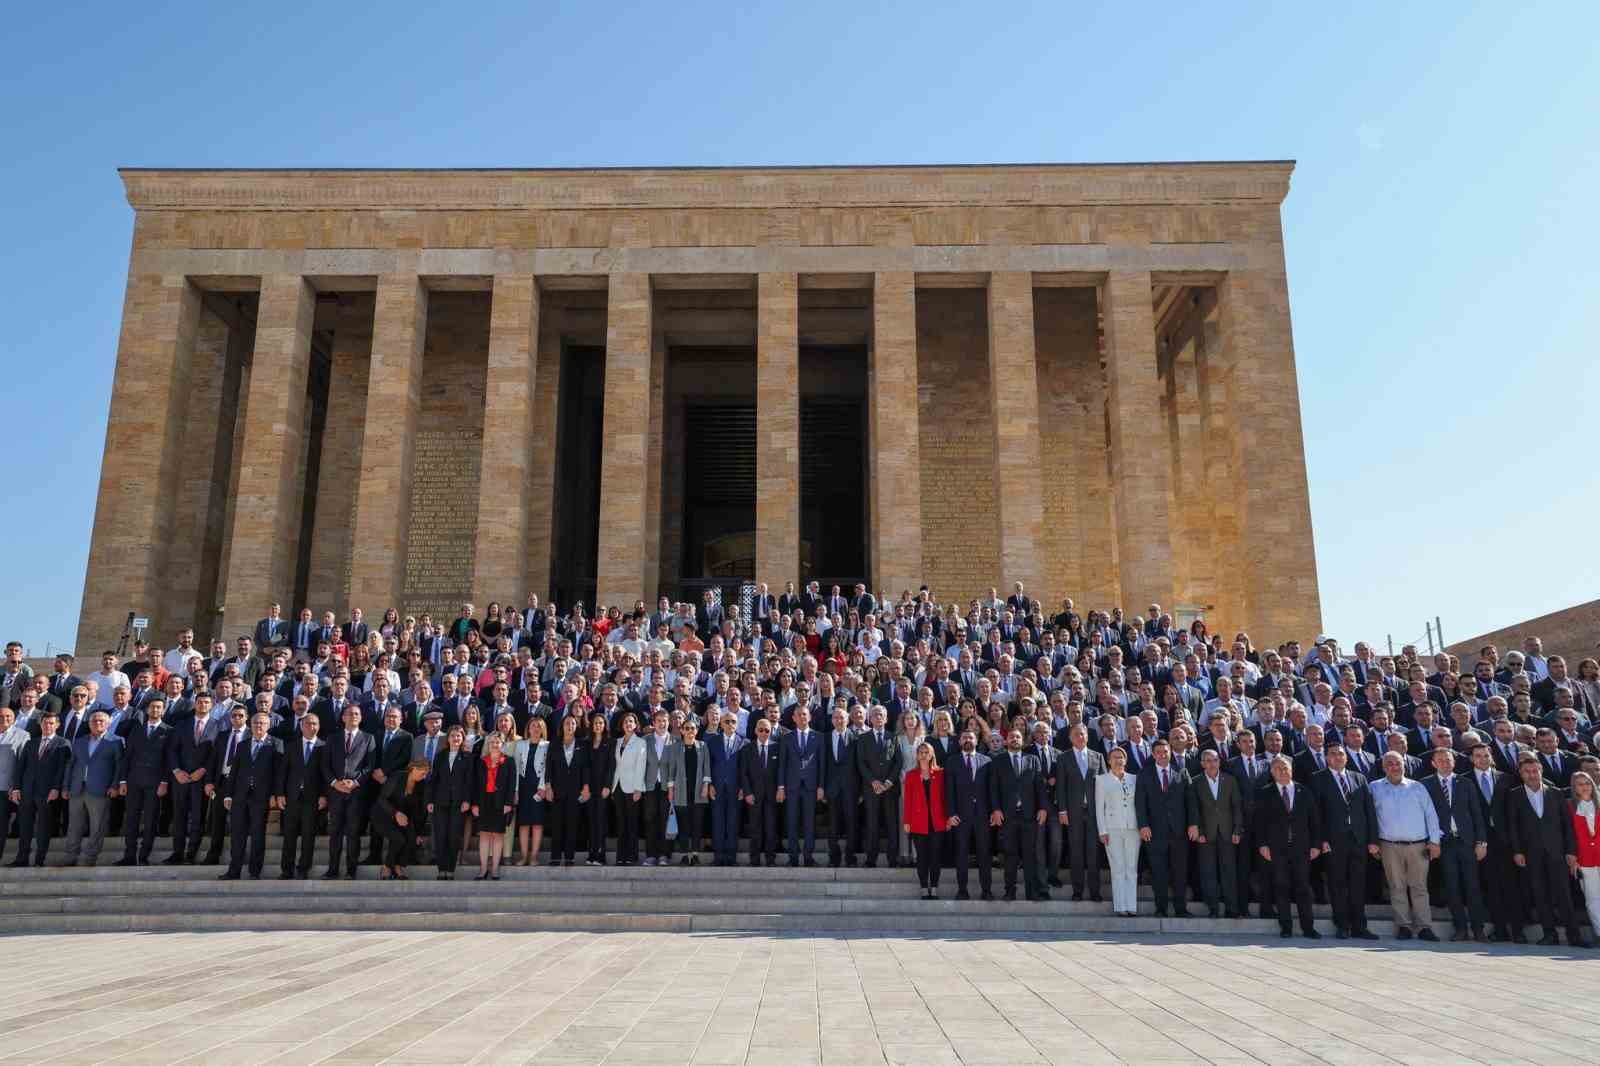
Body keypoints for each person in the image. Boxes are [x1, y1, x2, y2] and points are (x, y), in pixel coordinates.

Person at [1506, 754, 1585, 947]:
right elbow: (1513, 827)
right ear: (1521, 774)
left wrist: (1571, 851)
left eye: (1535, 771)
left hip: (1556, 852)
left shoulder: (1556, 793)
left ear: (1541, 771)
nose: (1532, 775)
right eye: (1527, 772)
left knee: (1563, 894)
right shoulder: (1514, 794)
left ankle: (1574, 936)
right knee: (1540, 895)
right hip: (1531, 853)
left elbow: (1567, 825)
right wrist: (1517, 851)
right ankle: (1549, 934)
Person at [1308, 741, 1379, 939]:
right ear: (1326, 757)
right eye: (1332, 754)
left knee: (1358, 884)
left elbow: (1369, 811)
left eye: (1340, 753)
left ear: (1346, 757)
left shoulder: (1359, 778)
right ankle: (1342, 925)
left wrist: (1373, 840)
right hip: (1333, 841)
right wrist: (1320, 840)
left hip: (1358, 840)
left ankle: (1360, 926)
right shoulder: (1317, 779)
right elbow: (1316, 815)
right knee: (1337, 884)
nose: (1337, 757)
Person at [1370, 750, 1441, 941]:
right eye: (1389, 764)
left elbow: (1431, 815)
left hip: (1417, 846)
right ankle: (1404, 926)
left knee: (1419, 887)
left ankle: (1424, 926)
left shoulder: (1417, 787)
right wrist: (1373, 842)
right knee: (1396, 887)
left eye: (1397, 763)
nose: (1394, 767)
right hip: (1389, 846)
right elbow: (1370, 818)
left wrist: (1435, 841)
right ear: (1384, 767)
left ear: (1404, 765)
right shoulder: (1374, 788)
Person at [1420, 746, 1489, 941]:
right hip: (1443, 843)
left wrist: (1481, 841)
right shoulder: (1425, 784)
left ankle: (1478, 929)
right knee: (1452, 886)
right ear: (1433, 763)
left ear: (1454, 762)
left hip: (1467, 842)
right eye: (1440, 760)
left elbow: (1477, 814)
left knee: (1472, 886)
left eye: (1448, 759)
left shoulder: (1466, 783)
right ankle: (1460, 928)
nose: (1445, 763)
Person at [1254, 755, 1321, 939]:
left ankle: (1308, 927)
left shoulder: (1304, 791)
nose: (1282, 771)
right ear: (1272, 772)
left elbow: (1314, 820)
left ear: (1291, 769)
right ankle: (1286, 927)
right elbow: (1259, 823)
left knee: (1303, 888)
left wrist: (1316, 845)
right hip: (1276, 849)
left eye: (1285, 768)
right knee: (1281, 887)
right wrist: (1262, 845)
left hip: (1302, 848)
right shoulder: (1264, 793)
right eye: (1277, 768)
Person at [990, 728, 1049, 902]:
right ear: (1006, 741)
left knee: (1030, 855)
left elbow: (1040, 786)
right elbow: (993, 788)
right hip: (1007, 816)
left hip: (1029, 816)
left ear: (1022, 740)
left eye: (1018, 737)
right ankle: (1010, 891)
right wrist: (996, 809)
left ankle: (1032, 892)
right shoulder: (998, 760)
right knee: (1010, 855)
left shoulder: (1033, 759)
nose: (1015, 739)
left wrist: (1043, 808)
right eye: (1011, 737)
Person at [1136, 738, 1191, 917]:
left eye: (1165, 751)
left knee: (1180, 873)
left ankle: (1181, 908)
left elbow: (1190, 803)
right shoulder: (1144, 774)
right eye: (1158, 752)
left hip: (1179, 832)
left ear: (1170, 752)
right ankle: (1161, 908)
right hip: (1154, 832)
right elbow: (1140, 803)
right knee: (1158, 873)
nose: (1162, 755)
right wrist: (1143, 825)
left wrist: (1193, 825)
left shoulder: (1181, 772)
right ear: (1153, 755)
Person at [61, 709, 124, 867]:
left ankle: (89, 857)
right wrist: (65, 786)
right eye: (94, 721)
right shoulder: (80, 741)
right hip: (76, 789)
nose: (97, 723)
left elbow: (119, 766)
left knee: (97, 826)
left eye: (101, 721)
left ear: (108, 724)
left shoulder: (115, 741)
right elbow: (71, 765)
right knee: (74, 825)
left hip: (100, 790)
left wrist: (114, 785)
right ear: (89, 724)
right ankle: (71, 856)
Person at [115, 695, 172, 866]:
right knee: (131, 819)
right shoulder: (136, 729)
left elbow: (169, 760)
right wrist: (123, 781)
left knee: (150, 820)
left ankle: (144, 855)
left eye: (159, 707)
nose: (155, 710)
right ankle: (129, 855)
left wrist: (164, 782)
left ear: (163, 710)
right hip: (134, 781)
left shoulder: (169, 731)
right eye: (152, 707)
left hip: (155, 784)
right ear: (147, 710)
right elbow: (127, 757)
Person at [1187, 748, 1244, 919]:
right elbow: (1194, 809)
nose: (1211, 764)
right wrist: (1200, 831)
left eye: (1214, 760)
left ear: (1219, 762)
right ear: (1202, 764)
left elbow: (1237, 807)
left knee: (1229, 872)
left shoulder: (1230, 780)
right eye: (1207, 761)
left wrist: (1237, 829)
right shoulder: (1195, 782)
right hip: (1206, 834)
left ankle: (1232, 909)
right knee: (1208, 872)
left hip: (1227, 833)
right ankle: (1213, 908)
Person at [324, 702, 376, 880]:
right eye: (349, 714)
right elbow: (325, 765)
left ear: (360, 718)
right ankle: (332, 870)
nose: (353, 716)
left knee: (353, 832)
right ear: (343, 717)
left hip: (356, 792)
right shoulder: (332, 738)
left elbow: (370, 766)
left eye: (356, 714)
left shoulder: (368, 738)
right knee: (335, 832)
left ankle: (350, 870)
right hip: (336, 792)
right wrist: (334, 783)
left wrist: (355, 782)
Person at [1056, 723, 1105, 903]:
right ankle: (1077, 890)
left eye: (1082, 734)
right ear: (1070, 738)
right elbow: (1060, 786)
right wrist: (1062, 810)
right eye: (1076, 734)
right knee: (1076, 852)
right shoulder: (1063, 758)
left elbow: (1104, 785)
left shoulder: (1098, 757)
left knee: (1093, 854)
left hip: (1094, 813)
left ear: (1087, 736)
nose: (1080, 737)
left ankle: (1094, 891)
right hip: (1073, 812)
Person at [275, 709, 326, 879]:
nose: (311, 726)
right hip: (292, 798)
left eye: (314, 724)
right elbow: (282, 772)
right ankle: (286, 870)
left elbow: (326, 774)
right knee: (289, 835)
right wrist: (280, 794)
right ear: (301, 726)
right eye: (308, 723)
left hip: (312, 799)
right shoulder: (291, 746)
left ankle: (303, 868)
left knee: (308, 835)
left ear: (318, 727)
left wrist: (324, 795)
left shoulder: (324, 747)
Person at [944, 727, 993, 901]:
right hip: (960, 817)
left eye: (970, 738)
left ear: (976, 741)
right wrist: (950, 813)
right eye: (964, 737)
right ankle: (962, 890)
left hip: (982, 816)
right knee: (961, 854)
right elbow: (948, 791)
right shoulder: (951, 762)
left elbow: (991, 790)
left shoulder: (987, 760)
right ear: (959, 742)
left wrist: (993, 811)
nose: (967, 740)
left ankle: (986, 890)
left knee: (984, 854)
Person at [1095, 747, 1140, 916]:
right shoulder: (1102, 780)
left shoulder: (1133, 779)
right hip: (1112, 828)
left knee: (1131, 868)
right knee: (1118, 868)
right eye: (1114, 757)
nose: (1118, 760)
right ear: (1109, 760)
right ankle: (1120, 906)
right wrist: (1102, 831)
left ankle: (1131, 906)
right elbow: (1100, 807)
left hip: (1132, 828)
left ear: (1126, 760)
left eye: (1121, 757)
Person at [854, 707, 900, 868]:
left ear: (886, 719)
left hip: (889, 788)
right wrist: (873, 781)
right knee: (871, 823)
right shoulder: (863, 738)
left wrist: (888, 782)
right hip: (871, 788)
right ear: (870, 719)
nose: (878, 717)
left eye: (881, 715)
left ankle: (893, 858)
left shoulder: (893, 737)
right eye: (875, 715)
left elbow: (897, 762)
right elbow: (860, 762)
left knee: (891, 824)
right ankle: (871, 859)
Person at [902, 741, 947, 899]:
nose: (923, 754)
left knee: (936, 857)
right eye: (920, 752)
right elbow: (907, 800)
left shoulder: (941, 773)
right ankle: (923, 887)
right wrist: (906, 821)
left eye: (926, 752)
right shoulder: (911, 775)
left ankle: (934, 887)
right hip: (918, 822)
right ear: (917, 755)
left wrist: (947, 818)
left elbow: (945, 798)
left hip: (937, 822)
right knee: (922, 857)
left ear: (931, 755)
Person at [778, 704, 822, 867]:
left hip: (811, 786)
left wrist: (821, 786)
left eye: (805, 714)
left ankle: (808, 857)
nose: (802, 717)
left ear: (809, 717)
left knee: (809, 823)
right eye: (799, 715)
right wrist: (781, 787)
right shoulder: (787, 738)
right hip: (792, 786)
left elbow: (821, 764)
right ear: (793, 718)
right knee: (792, 822)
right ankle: (793, 857)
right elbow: (782, 764)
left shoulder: (818, 737)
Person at [428, 725, 474, 879]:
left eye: (459, 736)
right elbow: (433, 780)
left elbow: (470, 782)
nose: (455, 739)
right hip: (440, 801)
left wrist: (467, 800)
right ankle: (441, 869)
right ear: (448, 738)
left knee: (453, 836)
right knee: (440, 836)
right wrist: (430, 800)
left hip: (459, 803)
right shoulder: (441, 755)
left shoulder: (468, 757)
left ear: (463, 739)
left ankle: (450, 869)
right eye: (453, 736)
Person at [373, 757, 430, 879]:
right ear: (414, 769)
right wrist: (396, 813)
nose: (424, 776)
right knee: (398, 839)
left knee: (411, 838)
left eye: (426, 773)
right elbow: (382, 799)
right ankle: (388, 867)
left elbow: (419, 811)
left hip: (402, 817)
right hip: (383, 814)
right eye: (423, 773)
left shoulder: (421, 785)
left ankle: (398, 865)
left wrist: (418, 832)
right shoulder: (397, 777)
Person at [544, 713, 588, 866]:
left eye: (573, 724)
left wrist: (585, 787)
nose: (570, 727)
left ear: (576, 727)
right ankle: (555, 857)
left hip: (575, 790)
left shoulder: (582, 744)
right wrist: (548, 787)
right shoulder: (554, 744)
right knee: (556, 825)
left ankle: (569, 857)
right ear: (562, 727)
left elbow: (585, 768)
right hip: (557, 790)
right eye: (567, 724)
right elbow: (548, 767)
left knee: (572, 824)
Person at [472, 732, 516, 880]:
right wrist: (475, 804)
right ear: (488, 744)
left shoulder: (509, 761)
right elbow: (476, 785)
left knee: (498, 836)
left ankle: (495, 868)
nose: (495, 745)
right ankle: (483, 869)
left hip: (501, 802)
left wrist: (509, 803)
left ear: (502, 744)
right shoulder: (481, 761)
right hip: (484, 801)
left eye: (498, 742)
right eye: (492, 742)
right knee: (484, 835)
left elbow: (511, 784)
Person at [667, 714, 709, 866]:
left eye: (693, 728)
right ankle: (685, 855)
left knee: (697, 825)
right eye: (687, 728)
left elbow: (706, 769)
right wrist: (670, 789)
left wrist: (706, 785)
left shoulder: (703, 746)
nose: (690, 731)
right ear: (682, 731)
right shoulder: (675, 747)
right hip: (680, 792)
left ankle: (695, 855)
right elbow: (671, 769)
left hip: (698, 792)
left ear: (697, 730)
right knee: (683, 826)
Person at [706, 709, 745, 867]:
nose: (730, 724)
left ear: (737, 724)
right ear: (721, 723)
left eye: (733, 722)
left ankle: (731, 857)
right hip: (717, 787)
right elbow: (708, 765)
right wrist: (709, 785)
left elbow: (744, 768)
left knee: (733, 822)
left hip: (736, 789)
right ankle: (718, 856)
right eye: (727, 721)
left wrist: (743, 787)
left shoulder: (744, 742)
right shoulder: (713, 742)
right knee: (718, 822)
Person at [739, 717, 780, 866]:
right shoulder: (747, 749)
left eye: (767, 730)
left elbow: (780, 771)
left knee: (771, 828)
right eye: (761, 730)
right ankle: (754, 859)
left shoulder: (777, 747)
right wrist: (747, 792)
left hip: (771, 795)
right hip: (753, 795)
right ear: (756, 730)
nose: (764, 733)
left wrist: (780, 790)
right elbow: (743, 773)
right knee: (755, 828)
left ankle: (770, 859)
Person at [821, 706, 857, 868]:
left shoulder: (855, 737)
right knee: (833, 824)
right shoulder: (826, 738)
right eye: (836, 718)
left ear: (848, 720)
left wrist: (861, 791)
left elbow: (859, 766)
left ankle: (850, 856)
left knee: (851, 823)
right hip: (832, 788)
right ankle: (833, 856)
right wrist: (821, 787)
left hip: (851, 788)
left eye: (842, 717)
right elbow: (822, 765)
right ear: (832, 720)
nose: (839, 720)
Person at [512, 716, 548, 866]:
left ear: (542, 730)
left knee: (537, 824)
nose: (536, 729)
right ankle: (524, 857)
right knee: (524, 824)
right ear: (528, 728)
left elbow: (548, 768)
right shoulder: (520, 744)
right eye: (533, 726)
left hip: (539, 787)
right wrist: (515, 790)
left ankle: (533, 857)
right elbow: (515, 767)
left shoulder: (547, 745)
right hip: (524, 787)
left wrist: (543, 787)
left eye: (539, 726)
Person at [1570, 770, 1600, 937]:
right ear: (1574, 788)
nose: (1585, 787)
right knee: (1593, 898)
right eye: (1580, 784)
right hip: (1584, 859)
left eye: (1587, 783)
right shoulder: (1569, 806)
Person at [584, 712, 615, 865]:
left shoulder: (610, 742)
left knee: (601, 821)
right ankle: (592, 854)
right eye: (595, 723)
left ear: (605, 725)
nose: (598, 725)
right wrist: (585, 786)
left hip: (603, 787)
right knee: (591, 821)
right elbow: (585, 766)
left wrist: (608, 786)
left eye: (601, 723)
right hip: (590, 787)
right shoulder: (587, 742)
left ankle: (601, 855)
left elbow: (611, 766)